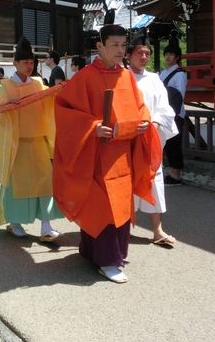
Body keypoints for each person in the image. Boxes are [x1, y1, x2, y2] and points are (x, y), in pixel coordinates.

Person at [53, 24, 162, 283]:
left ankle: (98, 253)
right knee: (102, 205)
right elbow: (65, 111)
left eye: (123, 45)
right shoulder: (84, 77)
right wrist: (92, 127)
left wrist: (145, 121)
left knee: (121, 205)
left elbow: (140, 107)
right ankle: (107, 260)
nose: (120, 50)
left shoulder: (126, 76)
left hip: (123, 153)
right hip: (96, 154)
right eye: (114, 45)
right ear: (99, 46)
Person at [0, 36, 63, 240]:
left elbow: (49, 103)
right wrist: (7, 103)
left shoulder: (38, 83)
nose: (29, 65)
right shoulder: (5, 86)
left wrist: (58, 93)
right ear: (14, 63)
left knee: (46, 184)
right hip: (16, 143)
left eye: (31, 62)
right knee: (17, 186)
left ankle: (46, 226)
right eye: (25, 62)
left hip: (38, 140)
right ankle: (15, 222)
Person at [126, 32, 179, 246]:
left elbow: (165, 109)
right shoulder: (121, 76)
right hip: (127, 138)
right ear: (129, 55)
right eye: (140, 53)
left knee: (154, 180)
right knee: (125, 183)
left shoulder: (155, 79)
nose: (144, 57)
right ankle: (123, 228)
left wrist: (156, 122)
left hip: (150, 138)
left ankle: (157, 230)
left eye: (147, 53)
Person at [159, 40, 187, 184]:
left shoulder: (180, 74)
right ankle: (170, 172)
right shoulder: (163, 73)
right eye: (167, 54)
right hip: (163, 112)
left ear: (177, 57)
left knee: (174, 143)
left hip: (175, 113)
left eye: (171, 55)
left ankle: (176, 175)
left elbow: (179, 96)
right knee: (166, 143)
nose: (168, 57)